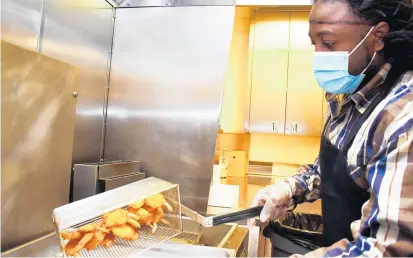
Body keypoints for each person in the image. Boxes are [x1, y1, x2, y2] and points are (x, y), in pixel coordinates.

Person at [250, 0, 413, 257]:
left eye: (329, 43)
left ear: (377, 37)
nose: (319, 55)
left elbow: (387, 248)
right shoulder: (350, 95)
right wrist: (291, 189)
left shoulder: (403, 115)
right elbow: (342, 167)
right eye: (314, 44)